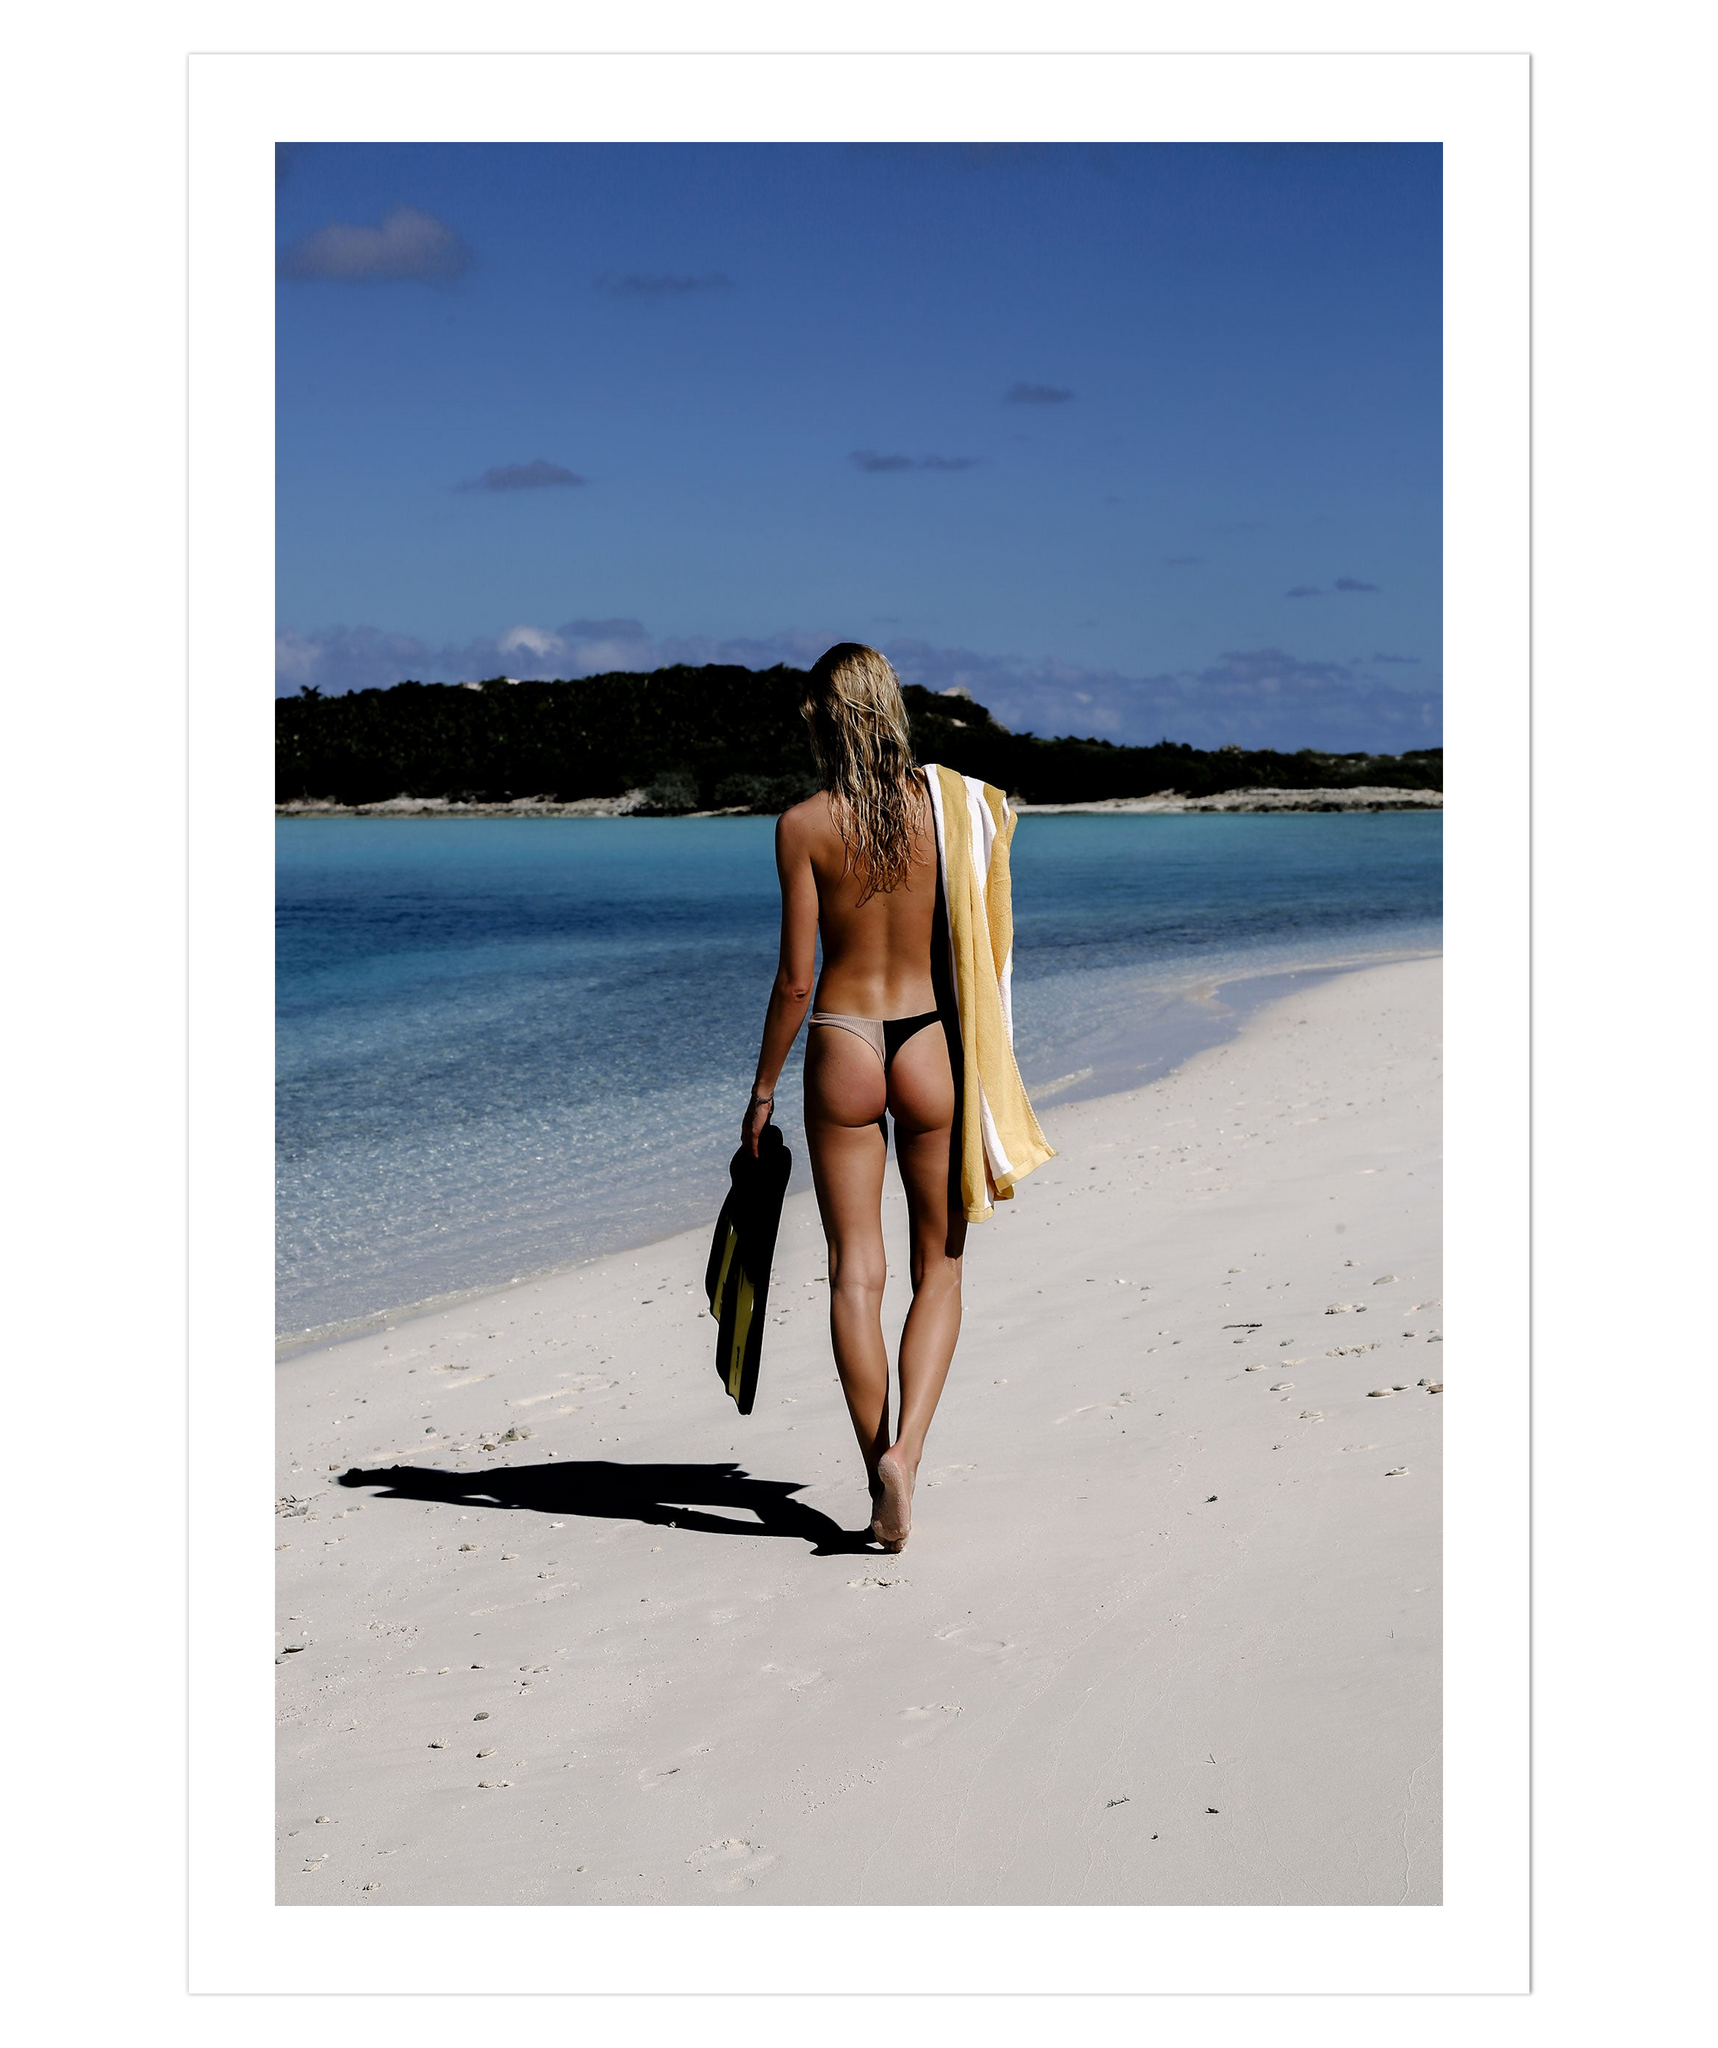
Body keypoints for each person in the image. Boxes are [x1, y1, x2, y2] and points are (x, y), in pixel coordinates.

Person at [743, 644, 1052, 1551]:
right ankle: (906, 1454)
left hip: (844, 1040)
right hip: (927, 1045)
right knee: (940, 1269)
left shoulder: (802, 825)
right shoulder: (949, 811)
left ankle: (877, 1465)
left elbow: (796, 980)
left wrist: (761, 1090)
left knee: (855, 1272)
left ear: (821, 721)